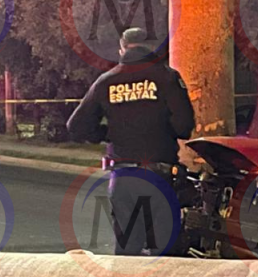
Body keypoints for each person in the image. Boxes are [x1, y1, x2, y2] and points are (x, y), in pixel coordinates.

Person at [67, 28, 196, 255]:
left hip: (123, 178)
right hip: (159, 176)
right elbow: (184, 127)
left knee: (127, 254)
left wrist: (110, 133)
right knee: (165, 255)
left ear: (122, 49)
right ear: (151, 48)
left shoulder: (106, 81)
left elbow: (76, 127)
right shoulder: (167, 77)